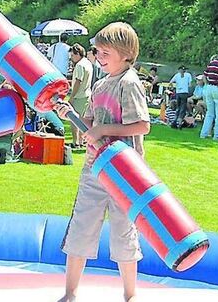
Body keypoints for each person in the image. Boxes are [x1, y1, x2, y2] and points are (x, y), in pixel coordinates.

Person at [54, 22, 150, 302]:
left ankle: (130, 294)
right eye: (97, 50)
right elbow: (88, 123)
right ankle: (70, 293)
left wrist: (103, 130)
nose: (99, 55)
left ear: (125, 53)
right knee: (81, 227)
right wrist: (69, 113)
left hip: (125, 172)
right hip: (95, 168)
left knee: (124, 231)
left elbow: (142, 125)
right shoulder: (100, 84)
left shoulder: (129, 83)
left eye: (106, 51)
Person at [68, 43, 93, 148]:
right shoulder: (88, 63)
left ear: (78, 54)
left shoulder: (79, 65)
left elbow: (78, 81)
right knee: (84, 120)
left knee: (74, 120)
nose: (71, 58)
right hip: (87, 94)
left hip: (79, 96)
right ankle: (82, 141)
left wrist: (72, 96)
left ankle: (75, 142)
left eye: (72, 55)